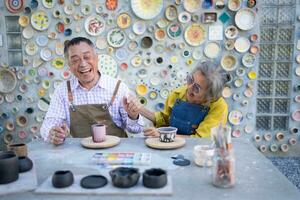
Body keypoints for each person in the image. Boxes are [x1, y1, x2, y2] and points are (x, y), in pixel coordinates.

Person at [40, 37, 143, 145]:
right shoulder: (62, 91)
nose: (83, 64)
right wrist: (53, 133)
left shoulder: (118, 87)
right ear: (69, 66)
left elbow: (136, 129)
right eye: (75, 60)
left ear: (97, 58)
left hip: (115, 153)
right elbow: (48, 125)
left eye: (87, 57)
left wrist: (133, 116)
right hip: (80, 154)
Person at [129, 61, 228, 138]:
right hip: (171, 147)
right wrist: (139, 108)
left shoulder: (219, 107)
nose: (189, 88)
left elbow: (201, 139)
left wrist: (165, 135)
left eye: (196, 88)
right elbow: (164, 120)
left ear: (209, 96)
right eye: (190, 80)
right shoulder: (178, 93)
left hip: (198, 152)